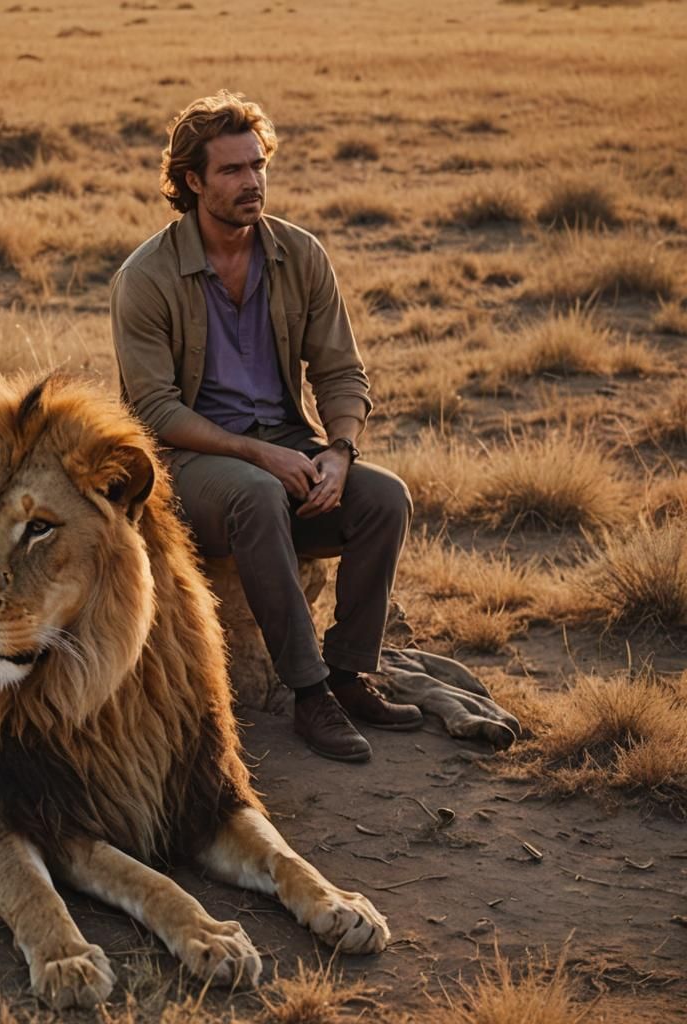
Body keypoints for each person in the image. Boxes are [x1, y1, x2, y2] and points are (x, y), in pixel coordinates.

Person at [110, 91, 419, 763]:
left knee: (385, 498)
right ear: (191, 181)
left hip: (289, 447)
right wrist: (259, 455)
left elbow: (342, 374)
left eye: (257, 166)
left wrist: (338, 452)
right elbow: (154, 411)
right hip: (192, 464)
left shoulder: (299, 256)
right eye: (230, 171)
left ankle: (348, 674)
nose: (251, 182)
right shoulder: (147, 277)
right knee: (254, 492)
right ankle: (310, 695)